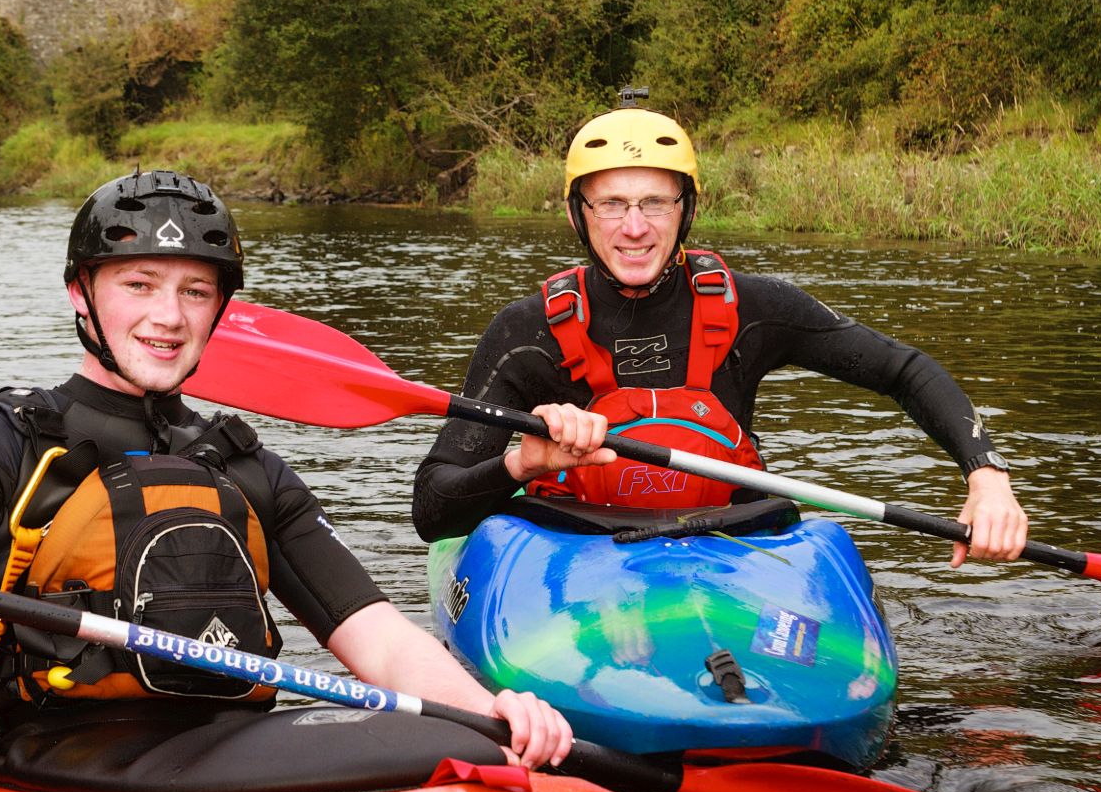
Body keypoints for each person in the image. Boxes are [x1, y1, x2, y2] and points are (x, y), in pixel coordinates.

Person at [0, 169, 573, 769]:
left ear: (220, 311)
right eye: (138, 284)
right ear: (83, 293)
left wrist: (487, 710)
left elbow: (374, 636)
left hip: (233, 751)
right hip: (51, 758)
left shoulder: (242, 464)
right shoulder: (1, 447)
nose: (168, 316)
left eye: (195, 291)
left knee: (459, 738)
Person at [411, 106, 1030, 563]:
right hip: (570, 552)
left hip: (726, 550)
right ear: (579, 214)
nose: (634, 227)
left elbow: (904, 370)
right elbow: (433, 509)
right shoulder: (528, 334)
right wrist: (524, 461)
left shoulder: (751, 309)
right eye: (612, 204)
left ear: (686, 210)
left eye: (656, 202)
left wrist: (988, 477)